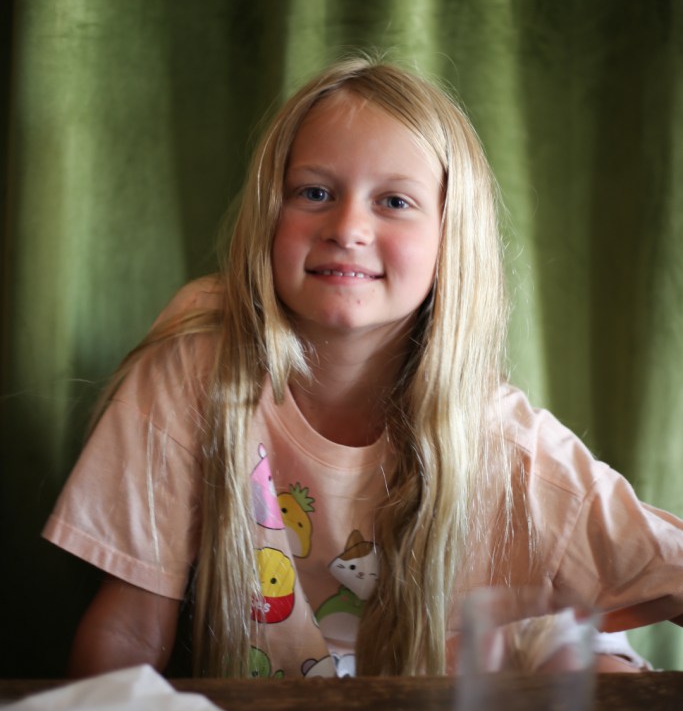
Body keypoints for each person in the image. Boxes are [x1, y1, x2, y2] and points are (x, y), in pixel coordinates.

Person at [43, 56, 683, 679]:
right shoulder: (198, 358)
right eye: (314, 192)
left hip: (508, 664)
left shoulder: (500, 437)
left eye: (395, 201)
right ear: (268, 214)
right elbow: (130, 626)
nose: (347, 227)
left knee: (594, 671)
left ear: (449, 239)